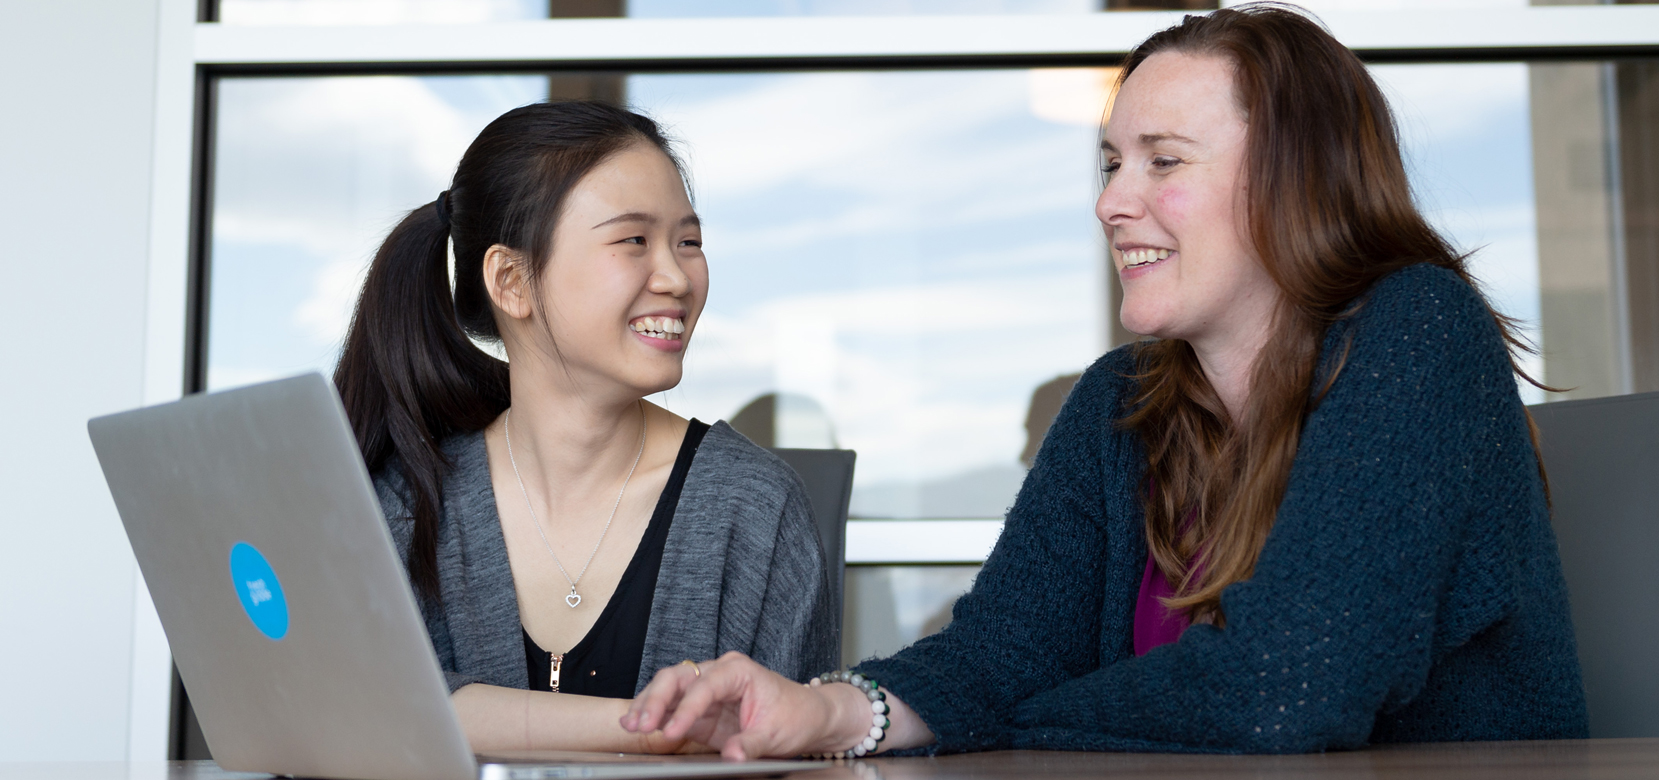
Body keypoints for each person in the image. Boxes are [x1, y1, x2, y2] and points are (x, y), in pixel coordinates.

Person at [621, 3, 1588, 757]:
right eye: (1111, 162)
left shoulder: (1418, 330)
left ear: (1297, 180)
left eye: (1162, 162)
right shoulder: (1119, 402)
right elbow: (998, 655)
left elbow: (1290, 691)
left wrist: (1011, 715)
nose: (1111, 203)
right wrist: (831, 710)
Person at [332, 100, 836, 753]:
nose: (677, 277)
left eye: (689, 242)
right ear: (512, 281)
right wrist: (663, 735)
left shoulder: (755, 510)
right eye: (633, 240)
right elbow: (359, 713)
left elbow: (795, 750)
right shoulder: (409, 501)